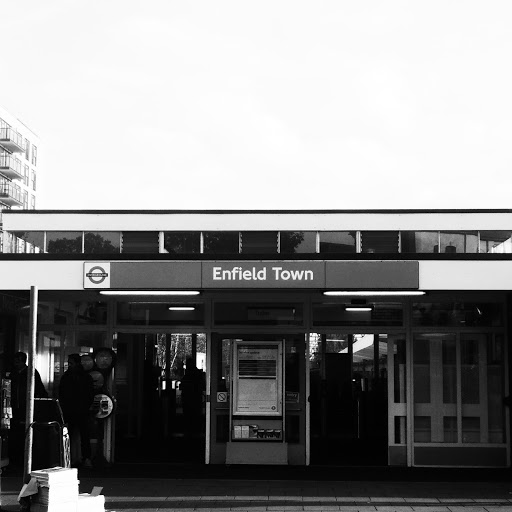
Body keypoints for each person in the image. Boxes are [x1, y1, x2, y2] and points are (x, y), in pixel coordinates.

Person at [9, 351, 48, 467]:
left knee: (25, 433)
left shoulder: (30, 373)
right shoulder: (14, 374)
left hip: (26, 407)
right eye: (15, 361)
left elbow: (39, 390)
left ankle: (25, 458)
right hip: (15, 407)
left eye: (18, 361)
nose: (16, 364)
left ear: (23, 361)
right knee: (16, 434)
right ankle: (17, 458)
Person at [58, 354, 94, 468]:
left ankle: (70, 459)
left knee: (71, 435)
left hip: (72, 409)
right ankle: (85, 458)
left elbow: (62, 394)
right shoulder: (85, 377)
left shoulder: (66, 377)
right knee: (84, 436)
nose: (69, 365)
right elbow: (90, 394)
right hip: (81, 409)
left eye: (71, 363)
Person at [180, 357, 205, 438]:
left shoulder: (188, 374)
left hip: (189, 399)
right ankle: (196, 430)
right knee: (195, 416)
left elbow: (183, 385)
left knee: (189, 416)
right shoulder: (198, 373)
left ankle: (189, 431)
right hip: (196, 398)